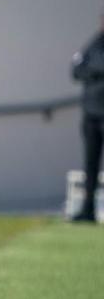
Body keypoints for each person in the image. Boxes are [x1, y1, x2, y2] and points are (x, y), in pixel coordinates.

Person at [71, 12, 104, 222]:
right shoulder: (94, 43)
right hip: (91, 114)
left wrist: (93, 70)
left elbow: (89, 67)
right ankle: (88, 210)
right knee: (90, 166)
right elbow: (76, 69)